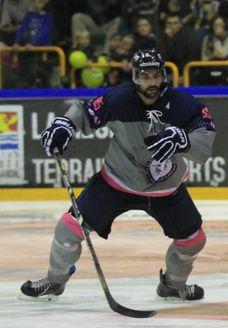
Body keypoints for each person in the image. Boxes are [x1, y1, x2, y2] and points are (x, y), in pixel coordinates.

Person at [21, 49, 215, 302]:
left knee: (193, 241)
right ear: (134, 77)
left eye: (156, 76)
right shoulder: (119, 100)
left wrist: (185, 141)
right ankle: (55, 282)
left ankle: (172, 285)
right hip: (116, 183)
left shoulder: (185, 105)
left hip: (166, 190)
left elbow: (205, 143)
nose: (151, 83)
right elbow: (84, 112)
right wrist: (64, 124)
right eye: (144, 77)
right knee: (69, 230)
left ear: (164, 76)